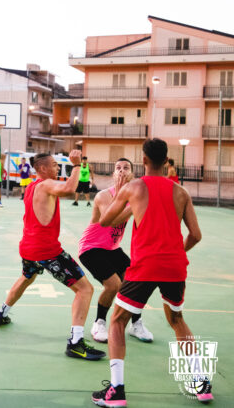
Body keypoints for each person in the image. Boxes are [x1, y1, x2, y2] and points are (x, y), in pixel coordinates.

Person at [91, 138, 212, 407]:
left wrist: (126, 199)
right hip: (174, 266)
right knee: (177, 320)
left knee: (117, 321)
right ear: (167, 161)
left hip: (145, 266)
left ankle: (116, 391)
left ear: (143, 160)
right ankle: (201, 383)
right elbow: (195, 235)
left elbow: (105, 220)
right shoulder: (181, 192)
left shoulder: (133, 187)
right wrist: (176, 251)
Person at [0, 150, 106, 362]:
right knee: (85, 290)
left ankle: (1, 314)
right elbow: (69, 188)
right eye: (54, 165)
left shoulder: (31, 187)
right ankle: (75, 343)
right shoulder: (46, 184)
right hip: (46, 251)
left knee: (26, 277)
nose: (57, 167)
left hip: (28, 248)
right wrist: (77, 165)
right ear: (42, 169)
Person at [79, 158, 153, 345]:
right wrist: (131, 205)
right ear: (113, 174)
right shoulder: (103, 196)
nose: (121, 171)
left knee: (135, 282)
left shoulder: (135, 197)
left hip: (112, 248)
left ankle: (135, 324)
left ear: (132, 174)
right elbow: (110, 221)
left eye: (126, 168)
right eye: (117, 168)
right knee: (113, 285)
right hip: (91, 247)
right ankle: (99, 323)